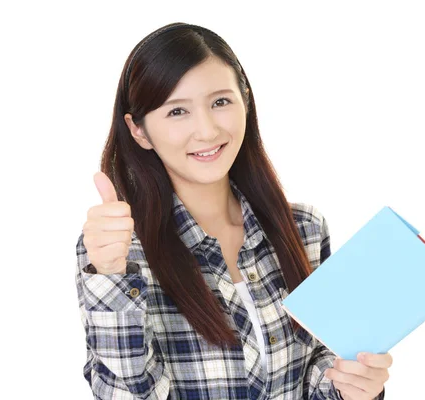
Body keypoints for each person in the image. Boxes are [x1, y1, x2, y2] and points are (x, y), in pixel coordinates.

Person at [75, 22, 391, 400]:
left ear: (246, 100)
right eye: (177, 111)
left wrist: (351, 387)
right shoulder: (120, 254)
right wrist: (110, 276)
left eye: (220, 102)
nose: (207, 131)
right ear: (139, 130)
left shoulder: (304, 228)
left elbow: (317, 367)